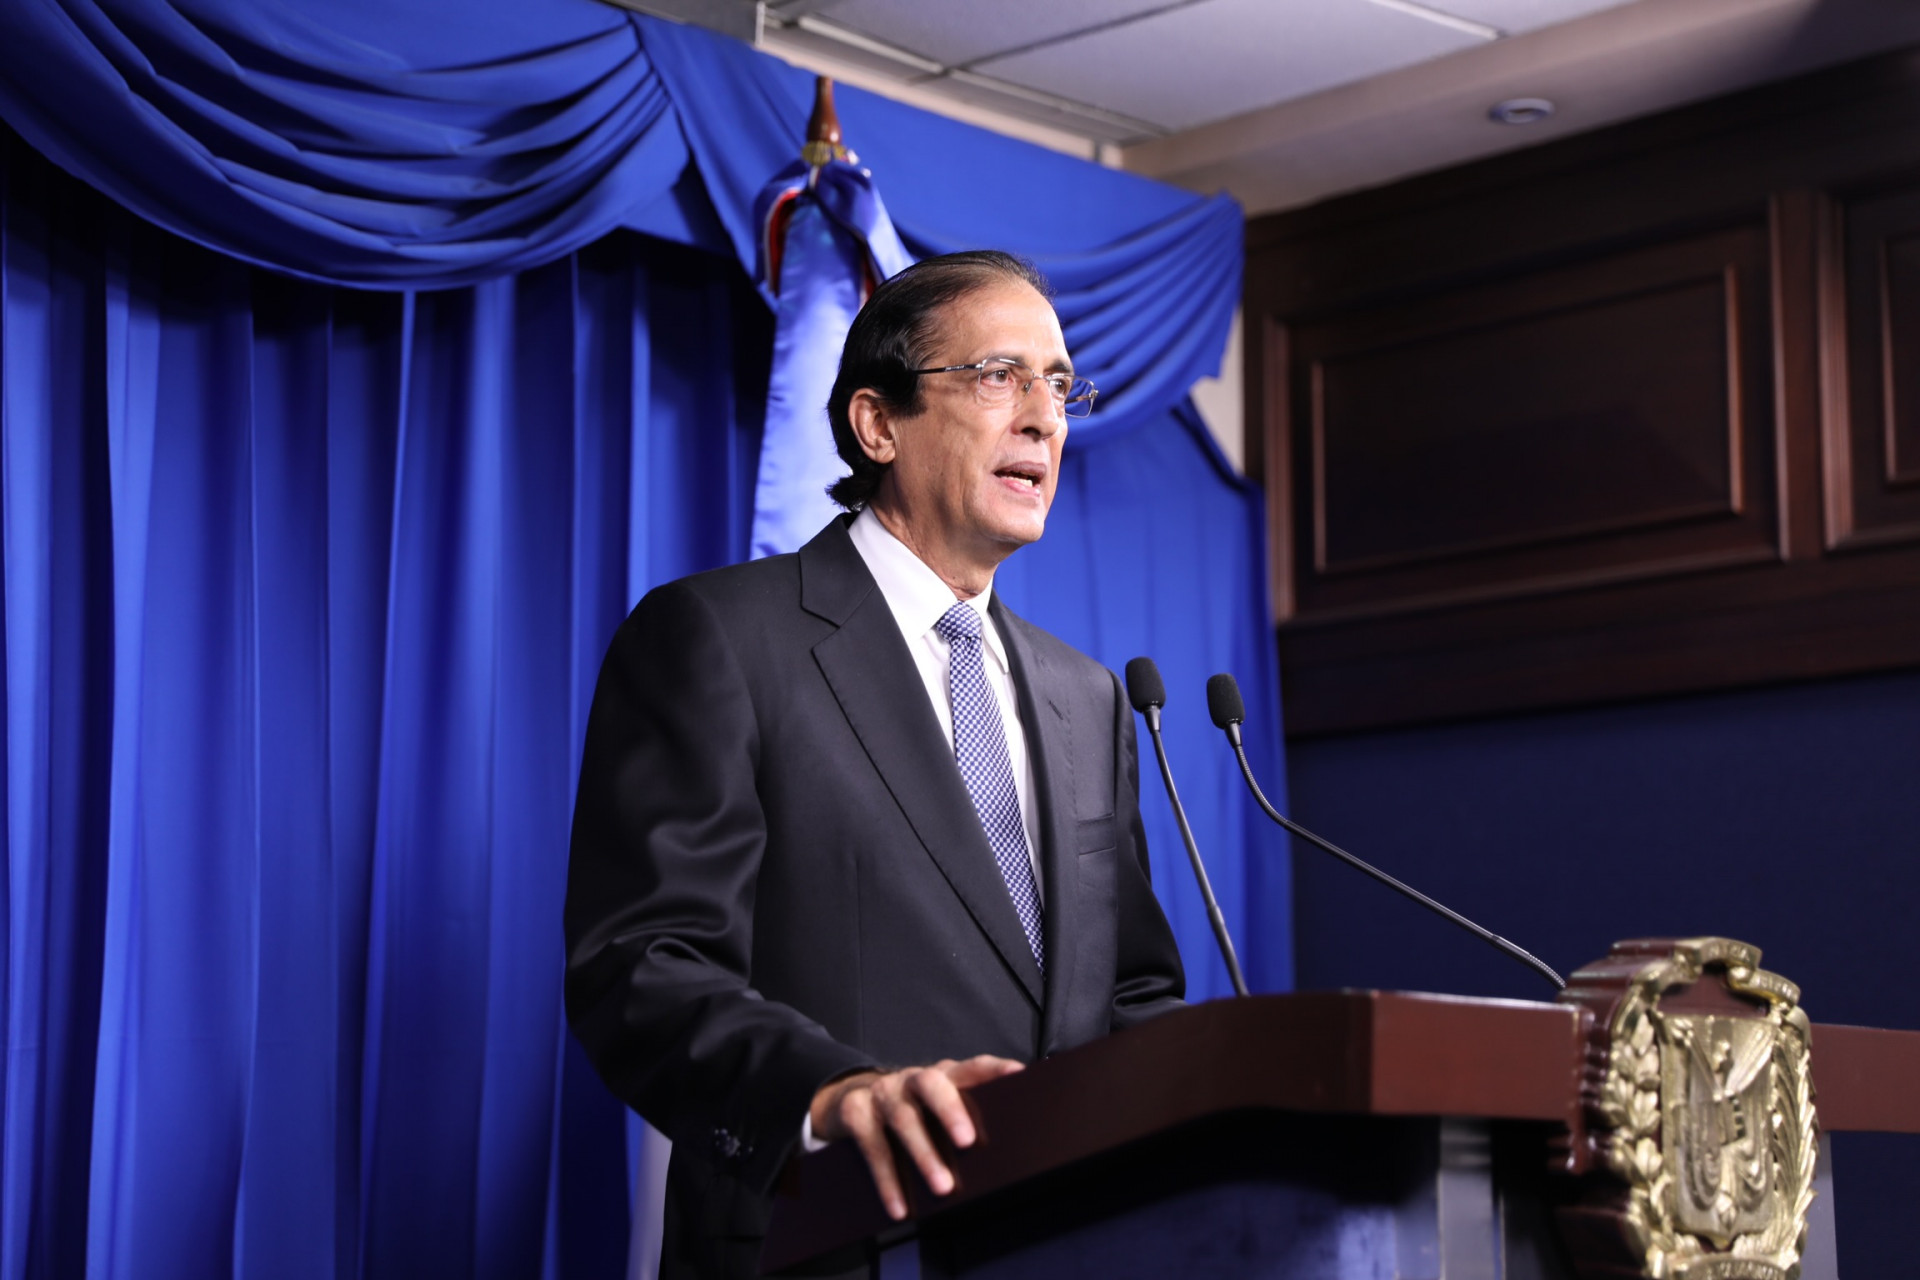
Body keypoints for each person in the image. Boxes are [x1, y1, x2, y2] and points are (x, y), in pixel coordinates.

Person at [565, 250, 1186, 1279]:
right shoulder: (719, 638)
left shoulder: (1088, 697)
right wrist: (826, 1095)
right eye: (1000, 376)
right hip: (826, 1245)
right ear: (878, 423)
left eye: (1060, 385)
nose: (1045, 417)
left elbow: (1133, 993)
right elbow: (641, 964)